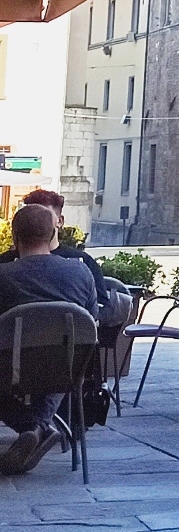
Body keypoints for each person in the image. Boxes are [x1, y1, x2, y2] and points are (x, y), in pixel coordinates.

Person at [0, 203, 98, 475]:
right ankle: (39, 427)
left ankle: (32, 427)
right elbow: (91, 327)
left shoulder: (2, 277)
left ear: (14, 235)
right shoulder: (81, 273)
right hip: (66, 372)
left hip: (7, 374)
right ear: (54, 233)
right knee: (62, 354)